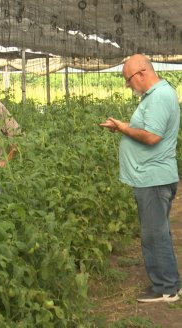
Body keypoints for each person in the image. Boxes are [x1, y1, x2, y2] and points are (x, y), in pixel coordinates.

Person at [99, 54, 180, 303]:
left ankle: (167, 288)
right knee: (156, 232)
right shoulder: (157, 96)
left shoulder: (159, 97)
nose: (128, 85)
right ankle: (167, 284)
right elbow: (148, 130)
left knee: (155, 234)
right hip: (150, 177)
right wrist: (122, 126)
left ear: (141, 73)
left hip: (153, 178)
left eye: (128, 80)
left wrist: (123, 128)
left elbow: (152, 136)